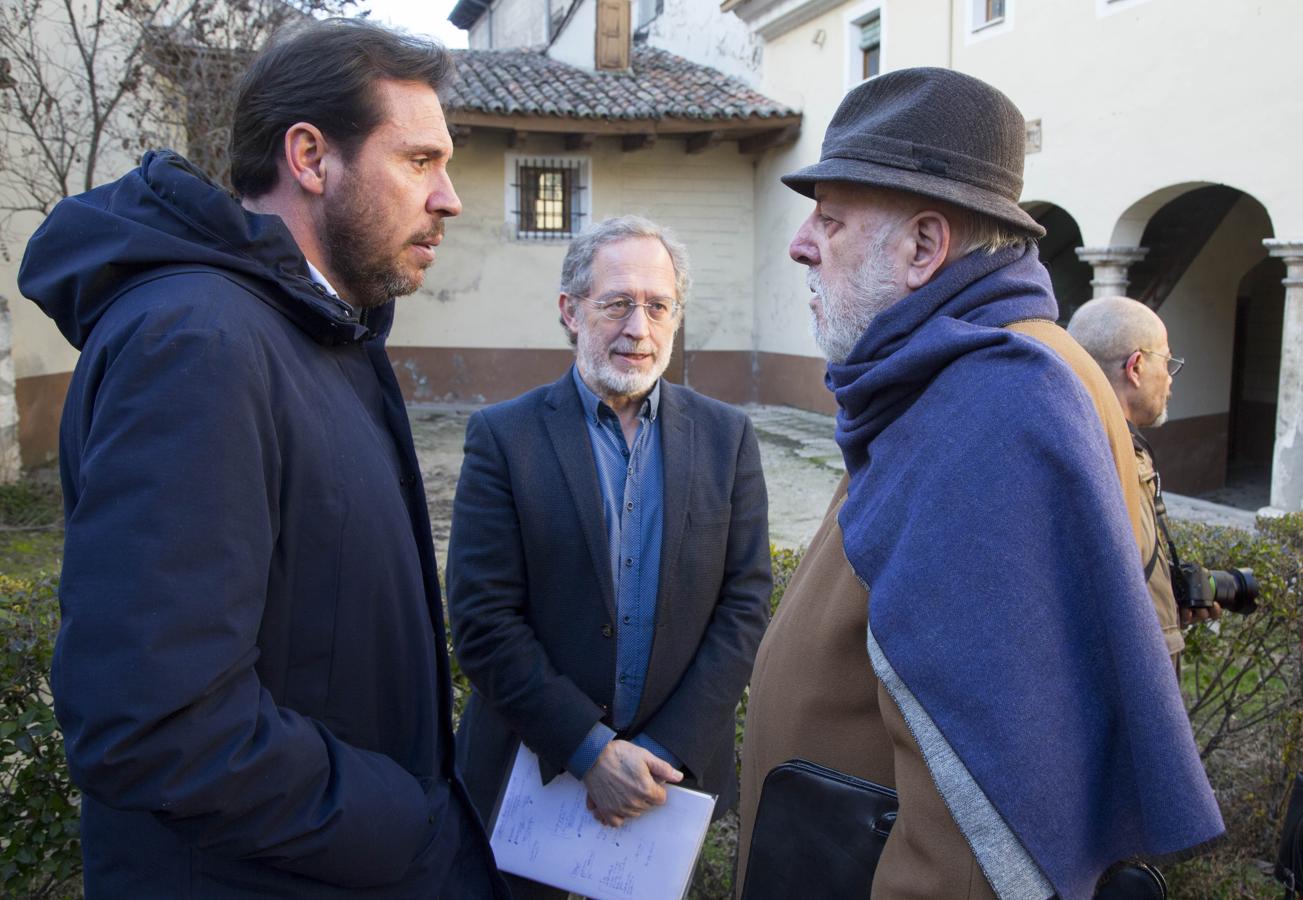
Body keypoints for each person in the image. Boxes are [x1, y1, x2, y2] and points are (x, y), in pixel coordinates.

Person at [18, 19, 506, 898]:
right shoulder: (199, 344)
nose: (450, 198)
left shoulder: (310, 332)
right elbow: (156, 724)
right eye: (419, 161)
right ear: (311, 157)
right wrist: (403, 822)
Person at [738, 68, 1223, 900]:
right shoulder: (955, 373)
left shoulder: (994, 402)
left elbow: (973, 828)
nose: (801, 242)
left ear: (924, 247)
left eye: (832, 218)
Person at [448, 215, 771, 898]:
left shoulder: (727, 438)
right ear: (570, 311)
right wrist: (589, 750)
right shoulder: (503, 438)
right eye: (616, 303)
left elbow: (744, 605)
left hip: (668, 791)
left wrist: (653, 757)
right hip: (530, 780)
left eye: (657, 306)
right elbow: (480, 619)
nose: (637, 328)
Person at [1069, 295, 1216, 655]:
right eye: (1167, 362)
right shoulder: (1113, 463)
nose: (1170, 379)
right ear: (1135, 367)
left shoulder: (1074, 439)